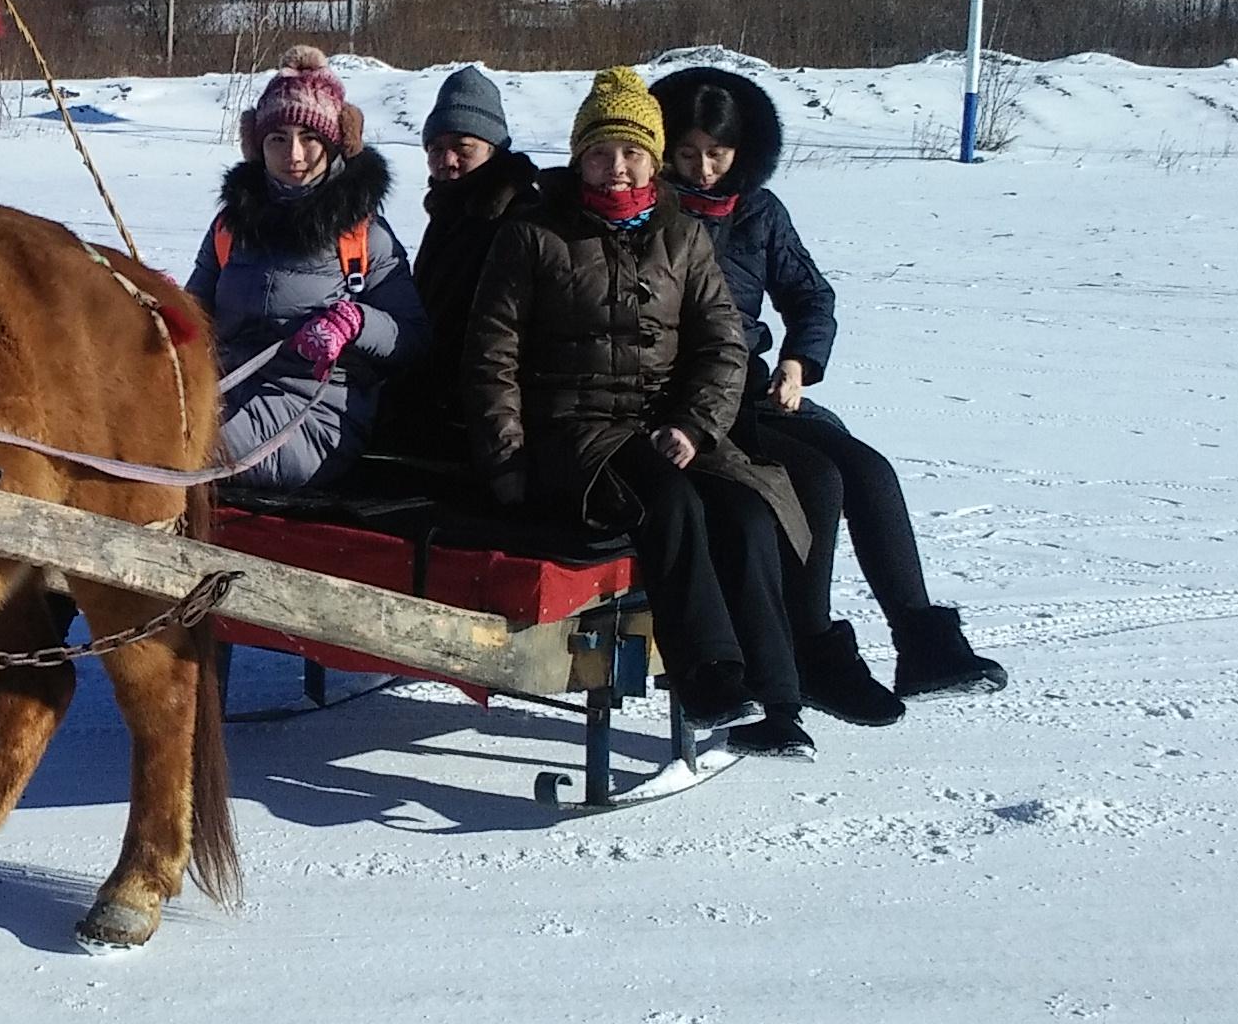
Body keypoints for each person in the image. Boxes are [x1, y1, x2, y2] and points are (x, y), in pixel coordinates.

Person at [655, 65, 1006, 755]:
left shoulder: (759, 211)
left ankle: (923, 641)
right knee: (816, 478)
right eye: (687, 153)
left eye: (717, 154)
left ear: (743, 152)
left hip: (756, 385)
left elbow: (811, 296)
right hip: (691, 396)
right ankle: (812, 646)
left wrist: (798, 361)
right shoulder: (655, 212)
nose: (702, 169)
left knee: (868, 469)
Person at [467, 67, 810, 733]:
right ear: (580, 158)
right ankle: (708, 677)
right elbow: (491, 355)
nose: (617, 168)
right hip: (572, 429)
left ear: (654, 160)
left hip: (662, 424)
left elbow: (723, 344)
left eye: (632, 152)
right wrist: (507, 461)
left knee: (747, 508)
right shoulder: (533, 234)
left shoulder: (681, 236)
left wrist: (695, 425)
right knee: (671, 501)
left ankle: (779, 701)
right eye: (601, 153)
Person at [186, 47, 425, 490]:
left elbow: (411, 336)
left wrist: (355, 323)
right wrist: (161, 306)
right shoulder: (231, 227)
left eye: (309, 138)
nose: (294, 154)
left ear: (335, 143)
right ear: (257, 145)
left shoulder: (363, 235)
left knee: (176, 449)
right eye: (277, 139)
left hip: (316, 411)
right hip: (225, 388)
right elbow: (194, 316)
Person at [390, 65, 541, 452]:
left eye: (463, 147)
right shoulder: (450, 210)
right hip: (436, 391)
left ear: (493, 148)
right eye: (435, 149)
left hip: (489, 409)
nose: (448, 160)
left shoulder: (519, 220)